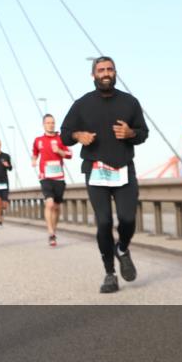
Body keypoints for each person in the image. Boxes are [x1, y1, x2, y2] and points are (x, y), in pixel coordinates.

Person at [61, 56, 148, 294]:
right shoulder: (82, 104)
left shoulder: (130, 102)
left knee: (128, 219)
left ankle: (122, 248)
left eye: (110, 69)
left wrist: (131, 133)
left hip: (123, 170)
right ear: (94, 75)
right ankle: (110, 274)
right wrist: (79, 136)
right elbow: (64, 135)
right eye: (101, 70)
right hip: (96, 170)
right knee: (104, 223)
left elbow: (143, 133)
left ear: (115, 73)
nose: (106, 73)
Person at [32, 114, 73, 247]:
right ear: (43, 124)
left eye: (53, 122)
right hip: (45, 177)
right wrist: (33, 160)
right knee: (49, 204)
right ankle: (50, 233)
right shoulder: (38, 140)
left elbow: (69, 155)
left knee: (56, 207)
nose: (51, 125)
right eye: (48, 122)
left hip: (59, 178)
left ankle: (53, 232)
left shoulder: (61, 139)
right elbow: (35, 153)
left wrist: (59, 151)